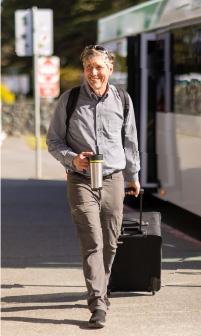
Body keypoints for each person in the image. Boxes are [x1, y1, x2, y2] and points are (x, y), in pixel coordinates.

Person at [46, 45, 140, 328]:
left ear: (109, 69)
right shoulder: (70, 99)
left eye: (99, 67)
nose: (93, 73)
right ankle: (97, 303)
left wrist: (133, 175)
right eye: (89, 67)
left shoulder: (122, 99)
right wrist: (73, 159)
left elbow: (130, 141)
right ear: (84, 70)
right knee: (92, 241)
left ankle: (102, 286)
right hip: (80, 181)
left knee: (110, 243)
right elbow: (53, 141)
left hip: (113, 178)